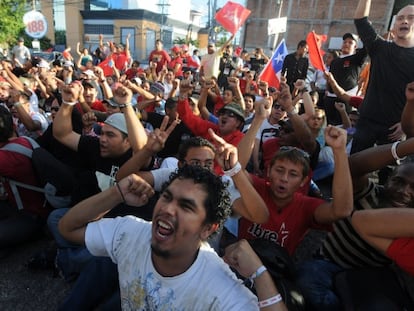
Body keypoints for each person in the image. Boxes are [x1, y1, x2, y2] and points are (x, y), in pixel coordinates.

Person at [58, 165, 261, 310]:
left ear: (208, 229)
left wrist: (260, 274)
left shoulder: (221, 289)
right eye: (166, 196)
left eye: (186, 206)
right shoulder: (130, 232)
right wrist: (116, 193)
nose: (167, 209)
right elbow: (68, 228)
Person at [296, 82, 414, 310]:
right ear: (388, 179)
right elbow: (352, 168)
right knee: (307, 283)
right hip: (329, 263)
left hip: (370, 276)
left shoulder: (408, 221)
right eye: (399, 181)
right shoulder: (368, 192)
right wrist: (401, 149)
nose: (404, 191)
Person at [351, 1, 414, 153]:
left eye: (411, 18)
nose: (404, 21)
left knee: (389, 175)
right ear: (394, 25)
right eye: (400, 18)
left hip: (396, 128)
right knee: (355, 167)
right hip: (367, 122)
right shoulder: (379, 48)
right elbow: (360, 20)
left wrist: (406, 125)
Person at [324, 32, 367, 125]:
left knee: (344, 126)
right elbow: (329, 78)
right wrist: (327, 91)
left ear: (355, 46)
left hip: (346, 98)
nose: (346, 44)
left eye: (350, 42)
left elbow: (367, 48)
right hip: (331, 98)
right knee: (330, 125)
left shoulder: (356, 58)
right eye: (345, 42)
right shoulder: (335, 61)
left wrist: (365, 34)